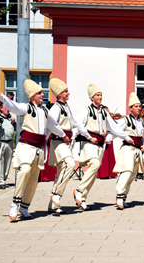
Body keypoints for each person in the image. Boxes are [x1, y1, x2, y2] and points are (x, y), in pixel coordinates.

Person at [0, 80, 68, 221]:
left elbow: (53, 125)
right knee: (24, 171)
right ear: (32, 96)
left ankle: (24, 207)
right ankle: (15, 203)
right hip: (26, 146)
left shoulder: (45, 110)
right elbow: (11, 105)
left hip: (39, 148)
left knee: (33, 179)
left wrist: (64, 136)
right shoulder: (26, 108)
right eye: (39, 93)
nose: (42, 94)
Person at [73, 84, 132, 211]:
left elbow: (114, 127)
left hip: (100, 143)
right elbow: (78, 124)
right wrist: (88, 137)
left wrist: (127, 138)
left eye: (101, 95)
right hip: (89, 142)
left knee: (94, 172)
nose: (100, 97)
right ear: (92, 97)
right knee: (94, 164)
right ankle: (79, 190)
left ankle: (82, 198)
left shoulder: (104, 112)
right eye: (97, 95)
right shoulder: (86, 110)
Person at [46, 78, 96, 215]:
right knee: (69, 164)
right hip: (58, 142)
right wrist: (63, 135)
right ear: (59, 94)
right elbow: (51, 124)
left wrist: (79, 135)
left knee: (61, 171)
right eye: (66, 91)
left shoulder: (66, 107)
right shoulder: (55, 108)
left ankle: (53, 206)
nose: (69, 93)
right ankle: (56, 194)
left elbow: (75, 124)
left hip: (65, 142)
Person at [113, 93, 144, 209]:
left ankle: (124, 197)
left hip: (138, 149)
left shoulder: (142, 121)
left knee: (132, 174)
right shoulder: (125, 120)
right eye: (136, 106)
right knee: (126, 171)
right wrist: (127, 138)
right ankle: (119, 194)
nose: (139, 108)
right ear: (130, 108)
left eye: (139, 106)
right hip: (128, 148)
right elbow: (116, 130)